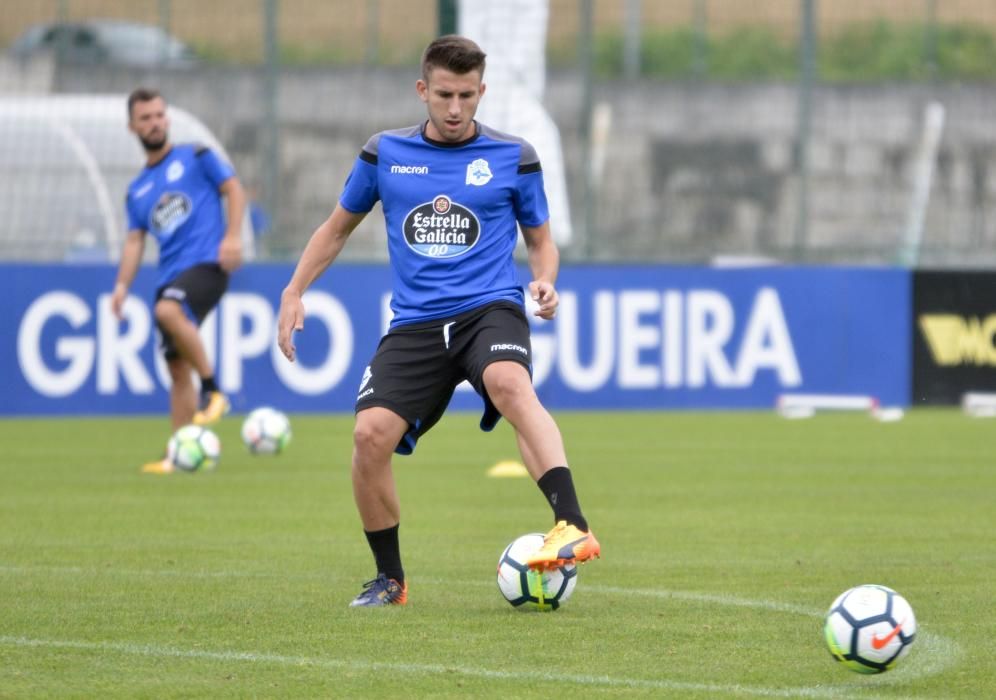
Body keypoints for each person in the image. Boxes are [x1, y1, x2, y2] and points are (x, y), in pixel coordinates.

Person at [276, 35, 600, 607]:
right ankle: (390, 581)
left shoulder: (514, 156)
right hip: (418, 324)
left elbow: (541, 240)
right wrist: (295, 289)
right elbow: (334, 230)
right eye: (445, 94)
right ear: (423, 90)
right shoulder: (384, 154)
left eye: (467, 96)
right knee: (368, 436)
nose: (455, 108)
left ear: (482, 92)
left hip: (489, 309)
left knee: (508, 384)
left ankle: (571, 523)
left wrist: (545, 280)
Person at [111, 88, 245, 474]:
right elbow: (135, 241)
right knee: (174, 367)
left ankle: (214, 390)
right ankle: (178, 454)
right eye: (145, 117)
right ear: (132, 126)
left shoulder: (196, 156)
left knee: (168, 309)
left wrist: (233, 236)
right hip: (171, 274)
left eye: (158, 115)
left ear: (166, 119)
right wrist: (121, 286)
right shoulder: (137, 190)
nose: (154, 123)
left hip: (207, 264)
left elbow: (233, 188)